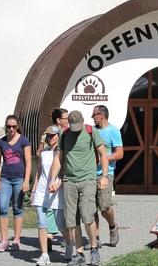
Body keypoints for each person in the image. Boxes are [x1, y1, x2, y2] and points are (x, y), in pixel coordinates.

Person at [49, 110, 109, 266]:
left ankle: (94, 249)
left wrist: (103, 176)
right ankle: (79, 253)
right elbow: (59, 158)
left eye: (77, 126)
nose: (75, 128)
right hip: (69, 181)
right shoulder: (65, 134)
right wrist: (53, 179)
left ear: (82, 122)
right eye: (72, 125)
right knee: (72, 219)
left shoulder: (91, 131)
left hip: (88, 180)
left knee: (88, 216)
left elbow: (103, 154)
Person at [31, 125, 74, 265]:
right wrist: (34, 188)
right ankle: (44, 254)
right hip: (42, 190)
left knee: (60, 223)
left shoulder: (63, 152)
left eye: (52, 135)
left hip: (56, 190)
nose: (50, 138)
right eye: (48, 136)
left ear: (59, 136)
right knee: (41, 223)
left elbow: (64, 172)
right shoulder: (43, 152)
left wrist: (58, 183)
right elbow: (39, 171)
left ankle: (69, 243)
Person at [0, 114, 32, 251]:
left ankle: (16, 239)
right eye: (9, 126)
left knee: (17, 208)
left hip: (19, 178)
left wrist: (27, 180)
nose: (11, 129)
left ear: (17, 127)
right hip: (5, 178)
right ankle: (3, 240)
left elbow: (28, 162)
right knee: (3, 208)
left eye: (14, 126)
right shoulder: (1, 142)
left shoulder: (24, 141)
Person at [89, 105, 123, 247]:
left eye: (94, 115)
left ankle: (113, 226)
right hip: (90, 174)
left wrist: (103, 158)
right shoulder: (91, 131)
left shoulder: (113, 131)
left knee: (104, 206)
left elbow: (119, 154)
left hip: (106, 173)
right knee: (91, 208)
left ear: (101, 115)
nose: (92, 117)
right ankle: (95, 238)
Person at [36, 108, 69, 243]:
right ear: (58, 120)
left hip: (61, 181)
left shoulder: (67, 134)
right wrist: (44, 154)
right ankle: (49, 235)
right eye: (65, 118)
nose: (67, 121)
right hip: (47, 179)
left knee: (61, 214)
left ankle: (67, 239)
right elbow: (40, 150)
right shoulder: (49, 132)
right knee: (47, 209)